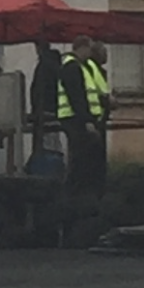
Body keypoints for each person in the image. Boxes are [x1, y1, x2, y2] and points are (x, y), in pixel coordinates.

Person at [57, 36, 110, 194]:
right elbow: (77, 97)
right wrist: (87, 120)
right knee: (81, 161)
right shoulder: (72, 67)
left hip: (78, 119)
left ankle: (83, 193)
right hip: (76, 121)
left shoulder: (79, 67)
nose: (91, 53)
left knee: (86, 159)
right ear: (83, 48)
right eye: (90, 49)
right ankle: (77, 194)